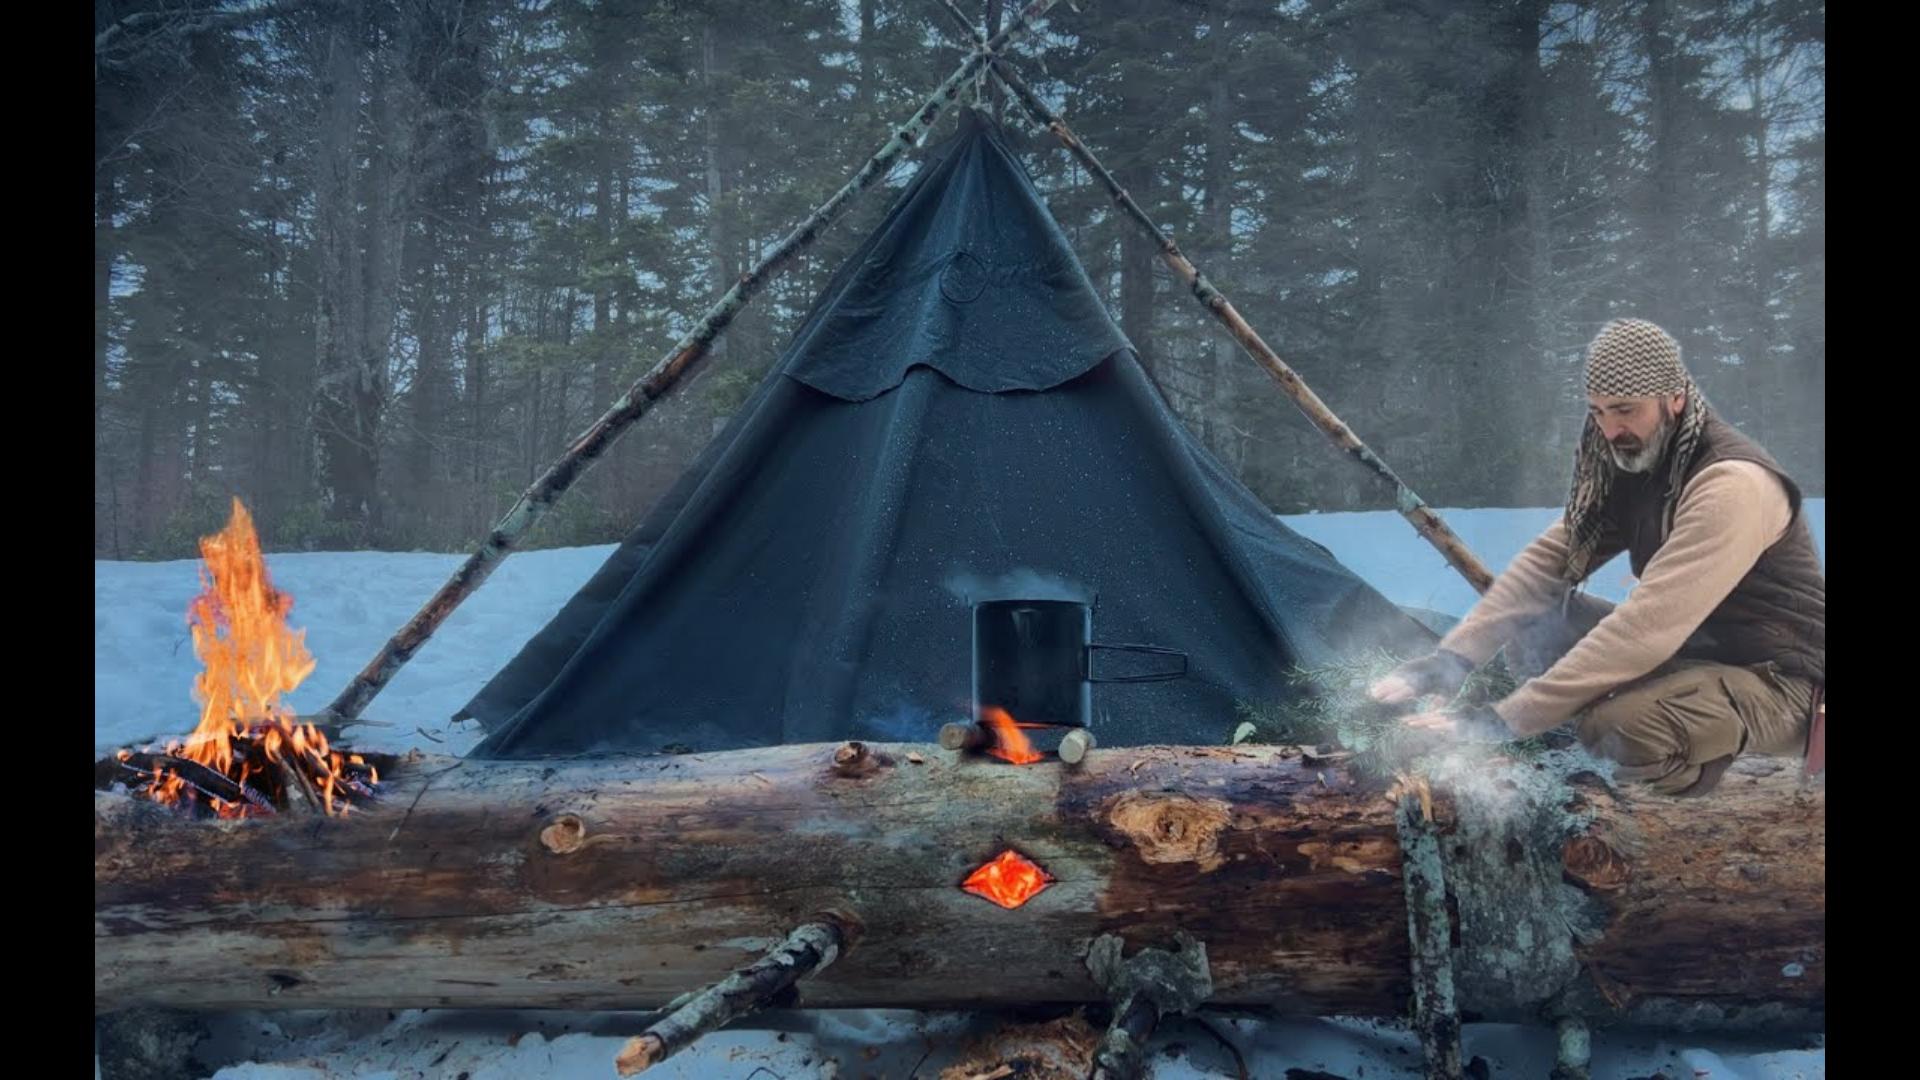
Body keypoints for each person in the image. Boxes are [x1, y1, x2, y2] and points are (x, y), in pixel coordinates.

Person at [1369, 318, 1824, 796]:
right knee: (1538, 619)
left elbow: (1646, 628)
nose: (1610, 429)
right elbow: (1547, 565)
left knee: (1619, 727)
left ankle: (1703, 791)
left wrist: (1504, 720)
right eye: (1599, 412)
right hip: (1697, 658)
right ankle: (1606, 749)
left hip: (1785, 686)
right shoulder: (1638, 462)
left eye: (1625, 410)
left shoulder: (1733, 485)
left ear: (1675, 397)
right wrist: (1452, 660)